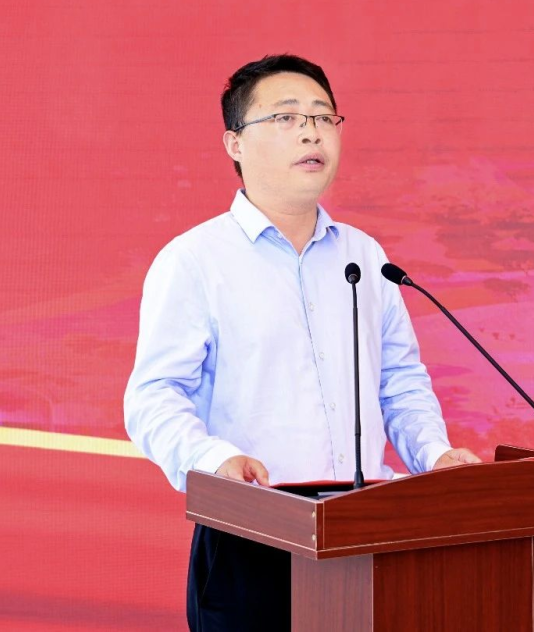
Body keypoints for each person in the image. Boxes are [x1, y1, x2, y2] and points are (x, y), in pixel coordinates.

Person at [124, 54, 480, 632]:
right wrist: (214, 461)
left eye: (323, 116)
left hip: (367, 528)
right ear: (235, 143)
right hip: (251, 537)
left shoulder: (365, 256)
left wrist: (433, 455)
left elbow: (399, 382)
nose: (312, 131)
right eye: (286, 117)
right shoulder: (194, 260)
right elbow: (153, 397)